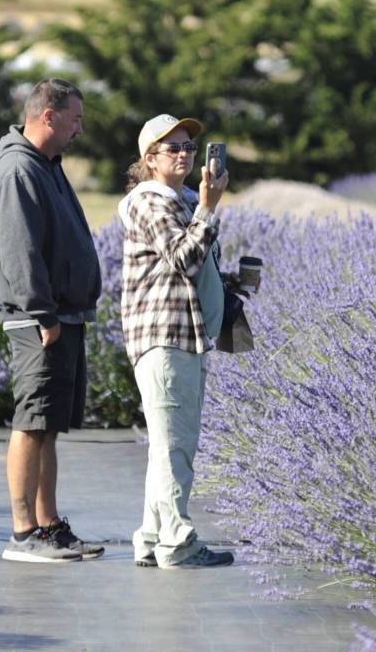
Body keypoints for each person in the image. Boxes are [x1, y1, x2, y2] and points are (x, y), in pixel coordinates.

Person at [0, 78, 104, 563]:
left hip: (60, 317)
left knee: (47, 425)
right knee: (31, 421)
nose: (80, 129)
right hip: (39, 320)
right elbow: (21, 252)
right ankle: (22, 534)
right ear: (49, 116)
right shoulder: (19, 170)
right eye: (75, 119)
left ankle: (49, 525)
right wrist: (43, 314)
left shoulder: (46, 166)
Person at [119, 113, 234, 568]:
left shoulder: (180, 199)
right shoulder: (150, 202)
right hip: (164, 336)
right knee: (174, 447)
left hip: (183, 333)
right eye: (174, 148)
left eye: (189, 146)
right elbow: (184, 258)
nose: (185, 154)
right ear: (150, 160)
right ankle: (177, 543)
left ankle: (151, 538)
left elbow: (193, 265)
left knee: (168, 444)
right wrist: (208, 208)